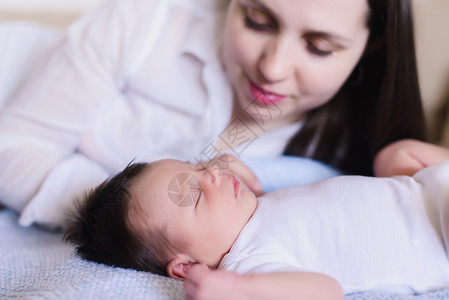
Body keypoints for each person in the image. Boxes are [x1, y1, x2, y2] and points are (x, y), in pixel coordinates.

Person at [0, 0, 426, 229]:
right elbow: (13, 149)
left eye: (318, 48)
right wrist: (143, 221)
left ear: (372, 46)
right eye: (258, 20)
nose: (273, 68)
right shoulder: (143, 22)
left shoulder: (348, 143)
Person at [64, 139, 449, 299]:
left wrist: (247, 183)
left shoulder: (256, 209)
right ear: (186, 266)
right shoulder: (251, 264)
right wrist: (237, 290)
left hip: (424, 190)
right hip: (437, 237)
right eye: (194, 193)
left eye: (197, 168)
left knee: (395, 155)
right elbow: (324, 291)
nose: (212, 175)